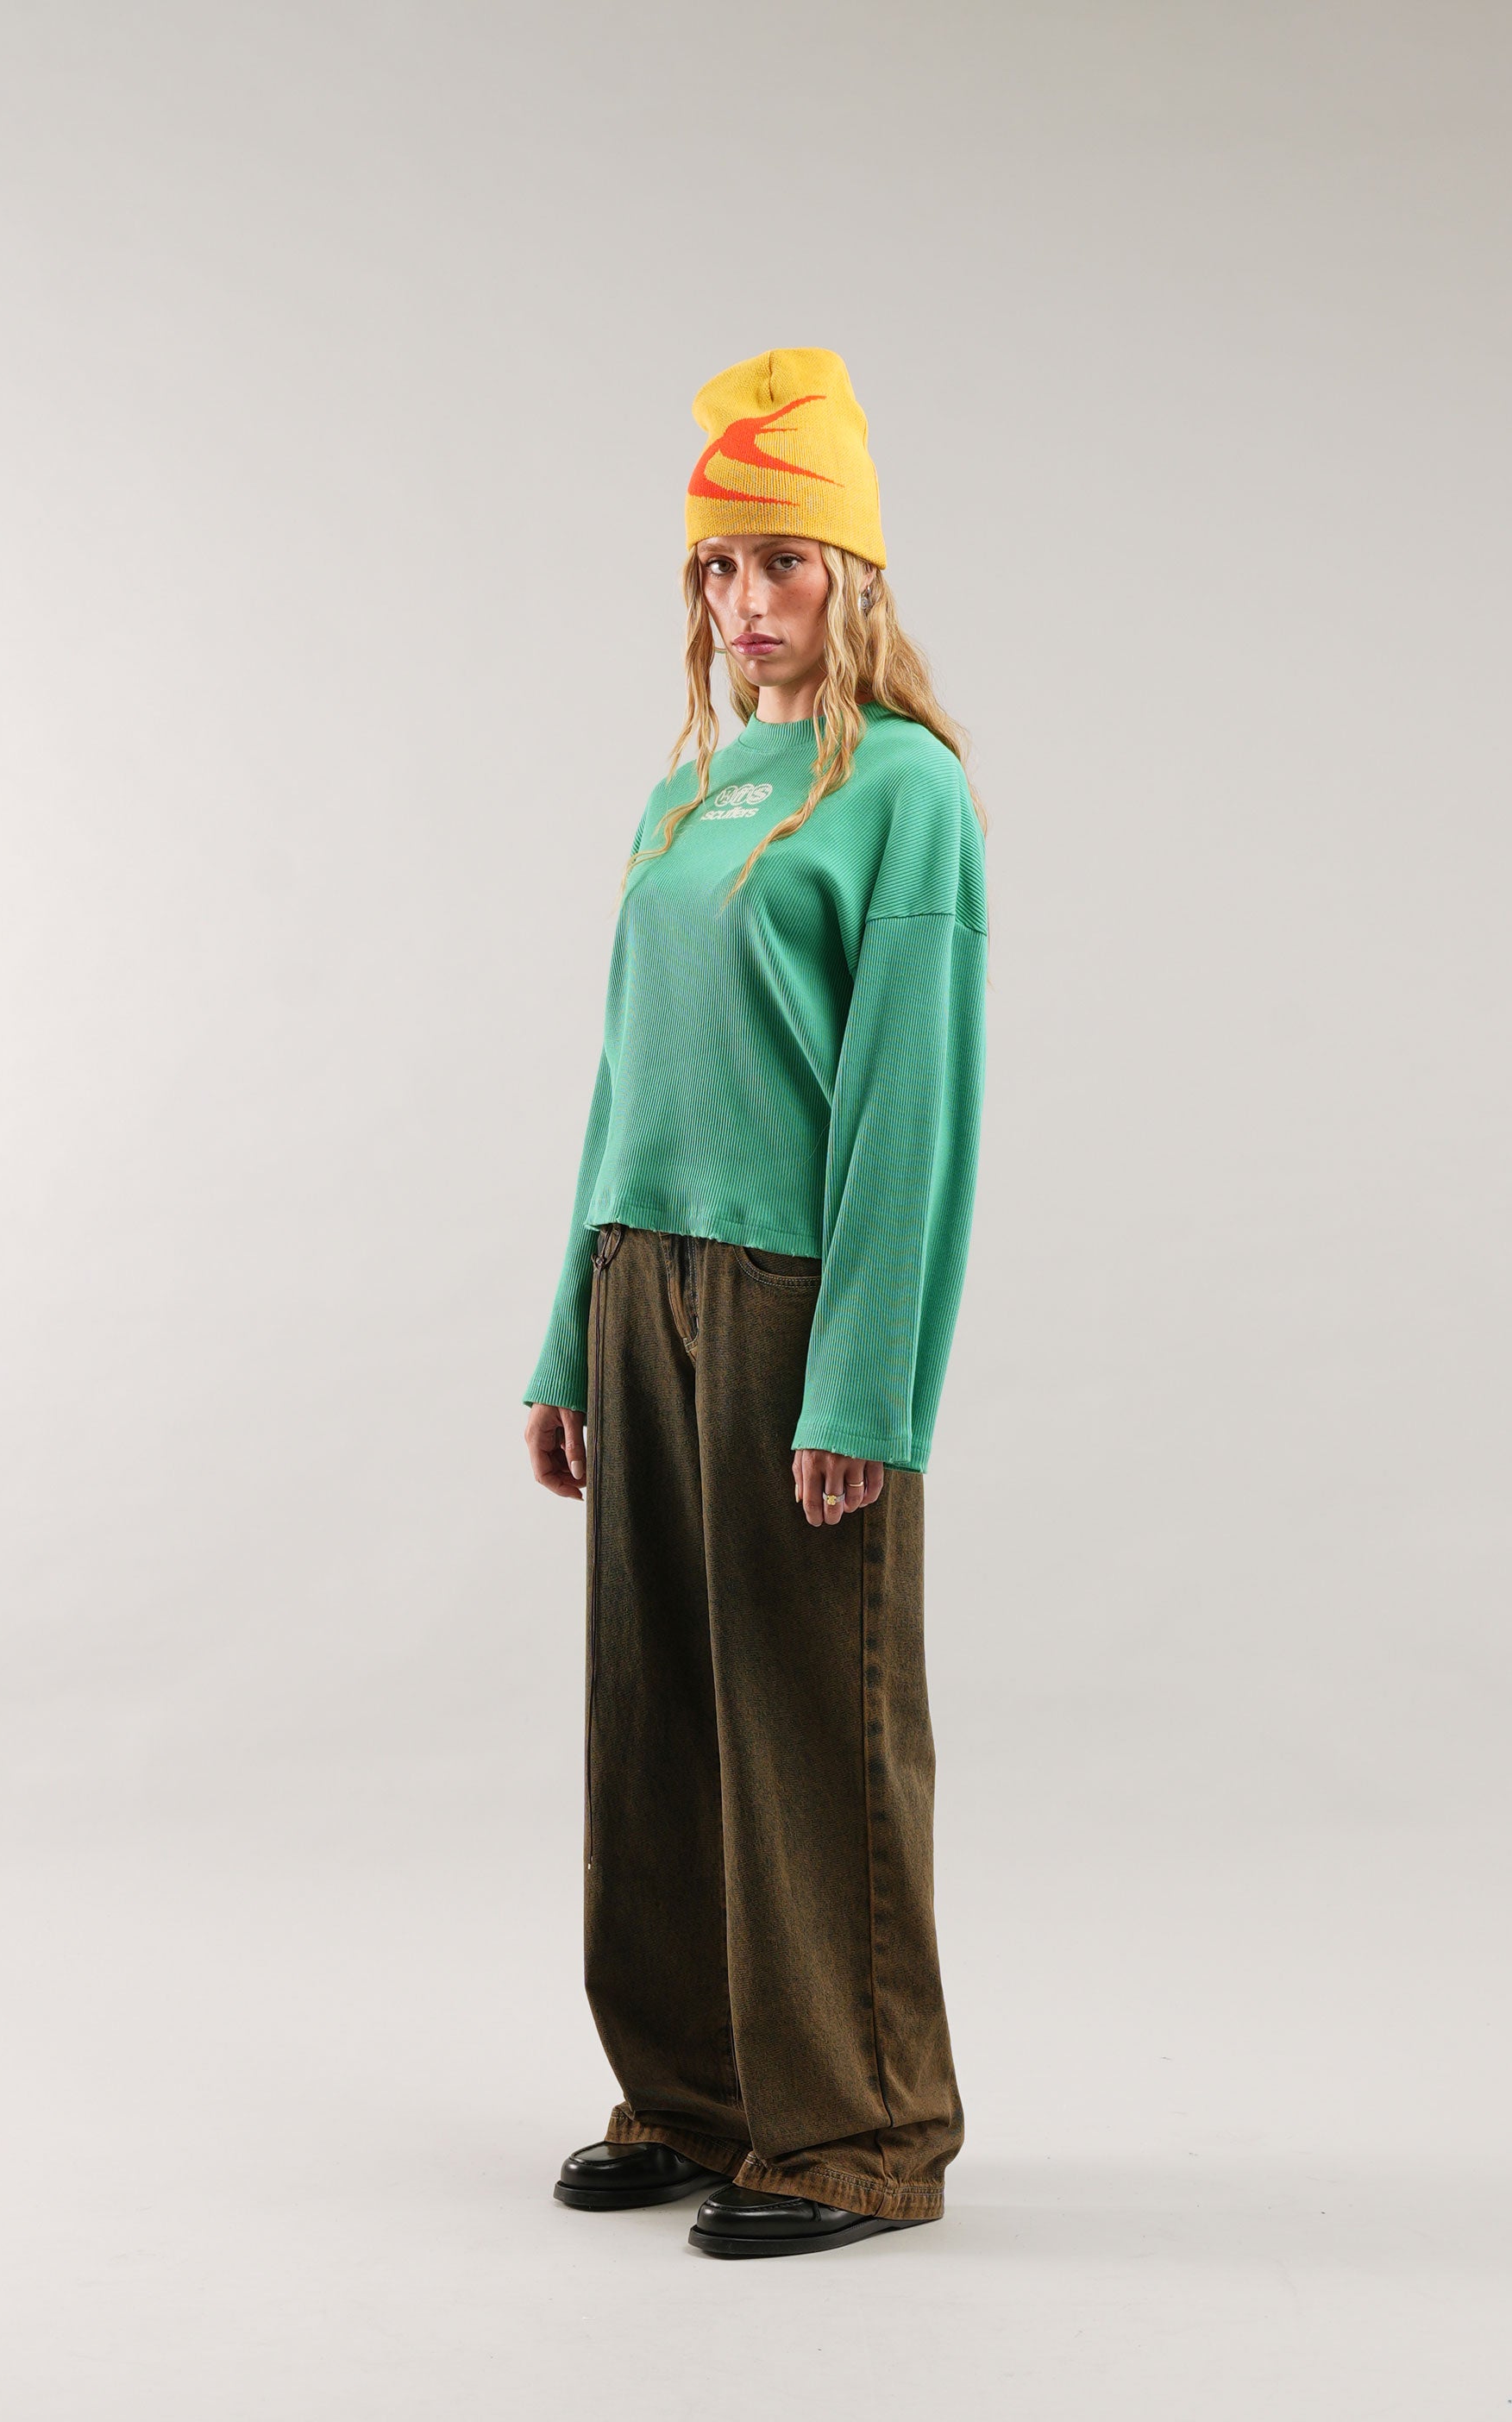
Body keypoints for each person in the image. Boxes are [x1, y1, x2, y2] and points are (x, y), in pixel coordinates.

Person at [522, 347, 988, 2259]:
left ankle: (858, 2129)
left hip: (795, 1299)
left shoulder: (905, 794)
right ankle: (693, 2092)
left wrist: (863, 1387)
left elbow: (908, 1109)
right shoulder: (689, 789)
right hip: (642, 1279)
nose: (743, 601)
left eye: (779, 560)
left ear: (850, 572)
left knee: (808, 1715)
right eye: (718, 567)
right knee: (652, 1707)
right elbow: (625, 1076)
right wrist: (568, 1331)